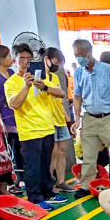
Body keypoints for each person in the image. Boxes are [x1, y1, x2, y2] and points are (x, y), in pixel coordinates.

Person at [4, 44, 67, 210]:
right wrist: (27, 86)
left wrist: (44, 87)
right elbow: (15, 104)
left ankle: (49, 193)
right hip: (29, 132)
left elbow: (61, 94)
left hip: (47, 128)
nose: (25, 62)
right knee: (32, 167)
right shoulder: (11, 83)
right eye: (22, 59)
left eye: (29, 59)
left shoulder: (42, 78)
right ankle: (35, 199)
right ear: (14, 61)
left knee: (45, 164)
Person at [71, 39, 110, 198]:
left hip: (109, 118)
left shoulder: (108, 70)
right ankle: (85, 185)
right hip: (89, 118)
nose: (78, 58)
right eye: (76, 55)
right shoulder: (79, 73)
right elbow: (77, 97)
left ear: (89, 52)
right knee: (88, 155)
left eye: (80, 54)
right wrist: (77, 120)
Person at [0, 45, 24, 195]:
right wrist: (0, 121)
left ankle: (19, 180)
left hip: (17, 117)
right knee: (6, 152)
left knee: (20, 150)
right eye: (7, 56)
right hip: (5, 119)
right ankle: (4, 184)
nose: (11, 59)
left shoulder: (12, 73)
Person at [42, 48, 77, 194]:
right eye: (55, 61)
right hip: (47, 120)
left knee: (62, 151)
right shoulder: (39, 78)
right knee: (53, 153)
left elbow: (59, 101)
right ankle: (50, 183)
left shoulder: (54, 78)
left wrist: (68, 121)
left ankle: (61, 181)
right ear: (46, 59)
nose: (57, 64)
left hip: (59, 119)